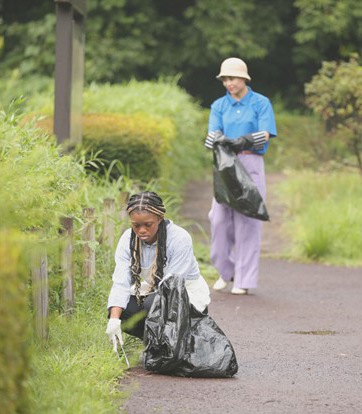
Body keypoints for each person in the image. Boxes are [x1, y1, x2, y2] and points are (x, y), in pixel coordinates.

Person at [206, 57, 277, 295]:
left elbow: (265, 134)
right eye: (225, 79)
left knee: (247, 221)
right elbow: (212, 137)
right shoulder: (219, 105)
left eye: (233, 78)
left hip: (251, 161)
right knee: (218, 218)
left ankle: (243, 280)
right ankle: (226, 271)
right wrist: (221, 141)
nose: (228, 83)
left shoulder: (260, 102)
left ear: (244, 78)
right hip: (225, 163)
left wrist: (242, 140)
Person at [105, 191, 211, 349]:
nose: (141, 230)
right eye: (136, 225)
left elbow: (173, 286)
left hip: (185, 295)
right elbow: (121, 282)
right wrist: (114, 320)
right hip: (154, 291)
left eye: (148, 225)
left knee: (153, 304)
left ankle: (175, 342)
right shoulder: (128, 239)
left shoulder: (179, 238)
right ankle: (155, 345)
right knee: (123, 310)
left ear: (159, 219)